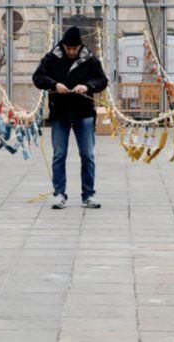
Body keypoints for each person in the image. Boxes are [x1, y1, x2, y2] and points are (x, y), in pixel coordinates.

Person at [32, 26, 108, 209]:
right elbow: (37, 77)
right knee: (59, 155)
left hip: (84, 113)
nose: (72, 52)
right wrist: (54, 84)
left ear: (80, 46)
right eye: (69, 48)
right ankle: (59, 194)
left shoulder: (89, 59)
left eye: (75, 48)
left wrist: (88, 86)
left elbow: (102, 81)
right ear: (64, 46)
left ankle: (88, 195)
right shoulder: (52, 57)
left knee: (88, 155)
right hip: (60, 113)